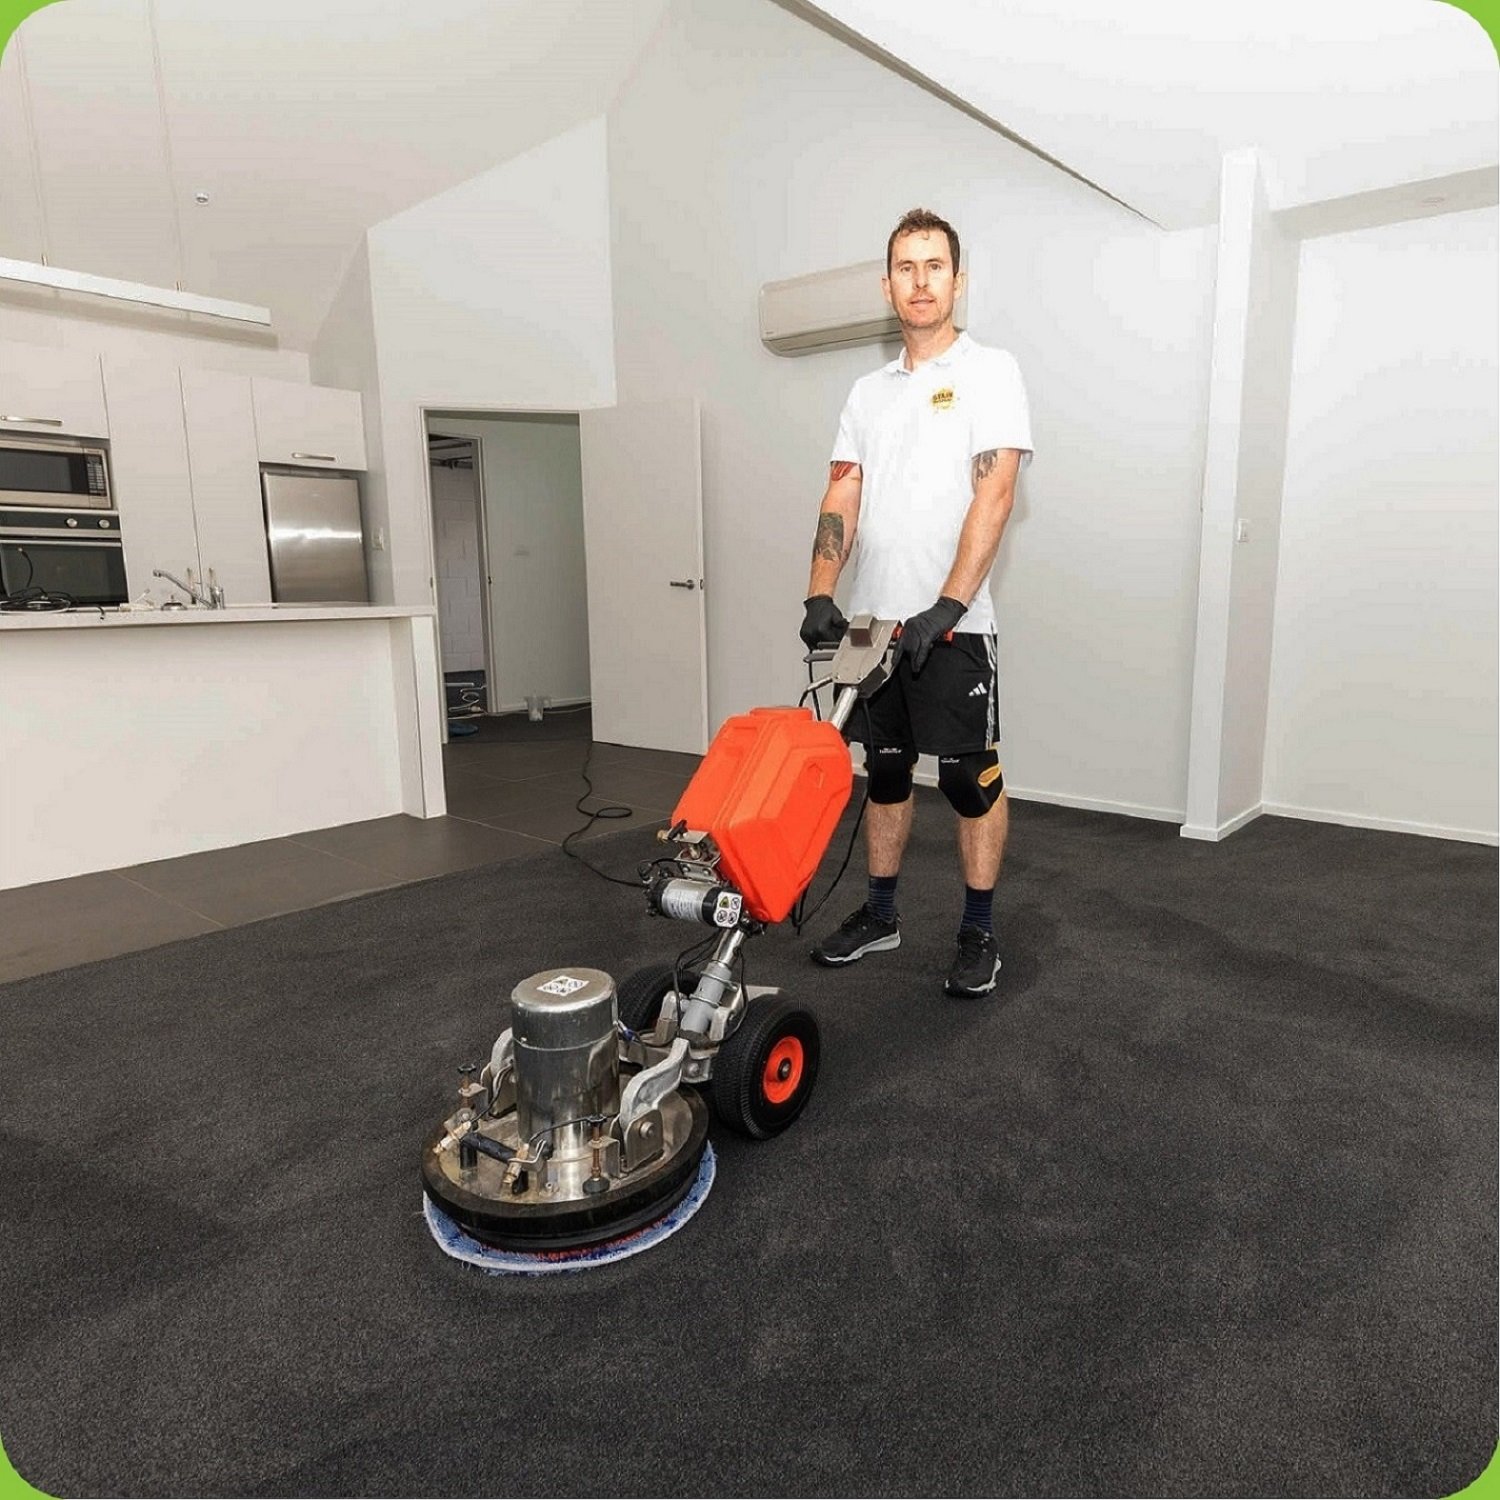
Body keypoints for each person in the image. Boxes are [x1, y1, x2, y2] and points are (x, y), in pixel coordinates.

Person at [800, 207, 1032, 998]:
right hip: (872, 623)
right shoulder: (866, 393)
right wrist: (820, 591)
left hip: (955, 625)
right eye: (906, 267)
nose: (920, 281)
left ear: (957, 282)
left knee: (969, 779)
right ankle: (880, 913)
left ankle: (978, 931)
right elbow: (843, 489)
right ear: (887, 285)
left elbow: (996, 491)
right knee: (887, 771)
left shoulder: (990, 371)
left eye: (935, 266)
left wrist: (950, 604)